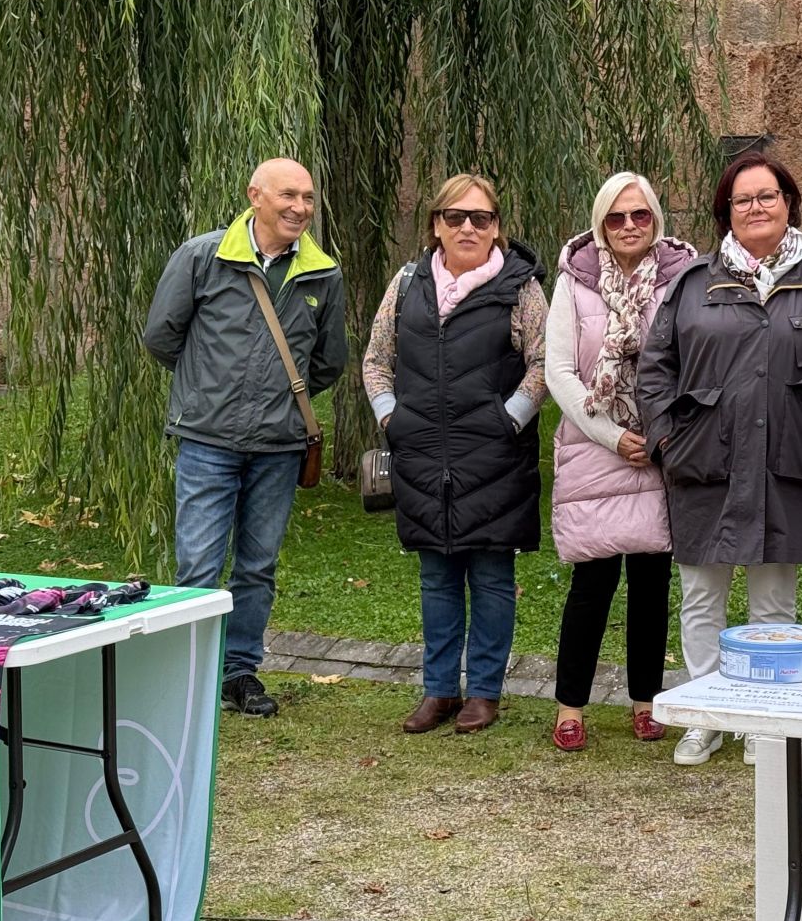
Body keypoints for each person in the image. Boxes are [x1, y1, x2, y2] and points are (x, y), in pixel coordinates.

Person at [637, 150, 802, 767]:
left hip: (789, 461)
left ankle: (762, 719)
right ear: (726, 211)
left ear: (788, 203)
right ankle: (708, 712)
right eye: (742, 199)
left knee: (774, 599)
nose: (755, 207)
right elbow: (654, 368)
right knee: (701, 595)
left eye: (767, 196)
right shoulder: (693, 283)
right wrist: (668, 439)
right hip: (707, 462)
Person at [142, 157, 349, 719]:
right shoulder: (203, 257)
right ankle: (190, 673)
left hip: (279, 447)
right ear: (255, 195)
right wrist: (210, 389)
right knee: (199, 564)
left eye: (308, 198)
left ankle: (239, 672)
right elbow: (162, 337)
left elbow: (329, 361)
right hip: (207, 439)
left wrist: (281, 403)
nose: (300, 208)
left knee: (257, 566)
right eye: (288, 195)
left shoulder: (322, 274)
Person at [361, 173, 547, 735]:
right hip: (423, 455)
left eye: (481, 218)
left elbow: (543, 362)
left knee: (490, 576)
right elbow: (375, 359)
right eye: (455, 217)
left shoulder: (522, 287)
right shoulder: (407, 282)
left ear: (497, 228)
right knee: (436, 577)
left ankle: (484, 692)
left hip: (494, 456)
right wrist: (394, 417)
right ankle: (439, 689)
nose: (468, 227)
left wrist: (507, 419)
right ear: (435, 225)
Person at [546, 173, 698, 751]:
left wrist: (657, 434)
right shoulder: (575, 280)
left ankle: (645, 701)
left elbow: (692, 362)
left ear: (655, 218)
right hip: (594, 442)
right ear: (599, 223)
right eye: (616, 217)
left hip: (660, 447)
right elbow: (559, 371)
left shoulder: (682, 277)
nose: (629, 226)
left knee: (652, 581)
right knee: (593, 579)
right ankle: (570, 706)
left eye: (639, 215)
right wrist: (612, 436)